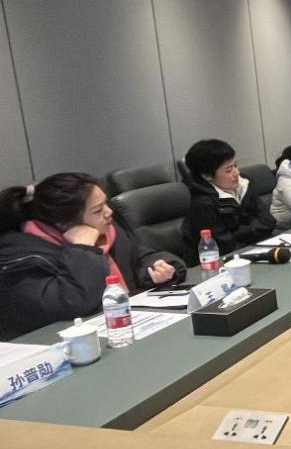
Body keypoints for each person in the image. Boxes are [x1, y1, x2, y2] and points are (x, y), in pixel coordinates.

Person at [0, 173, 186, 338]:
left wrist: (155, 268)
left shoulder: (107, 232)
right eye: (98, 210)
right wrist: (83, 249)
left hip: (127, 328)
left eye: (106, 203)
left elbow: (138, 256)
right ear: (65, 224)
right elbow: (73, 303)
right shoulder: (21, 256)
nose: (109, 212)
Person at [181, 139, 275, 264]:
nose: (237, 173)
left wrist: (239, 233)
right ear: (207, 176)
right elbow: (225, 245)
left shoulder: (244, 185)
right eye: (229, 170)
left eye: (236, 165)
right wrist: (253, 230)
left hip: (253, 249)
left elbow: (269, 221)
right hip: (217, 264)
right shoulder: (201, 203)